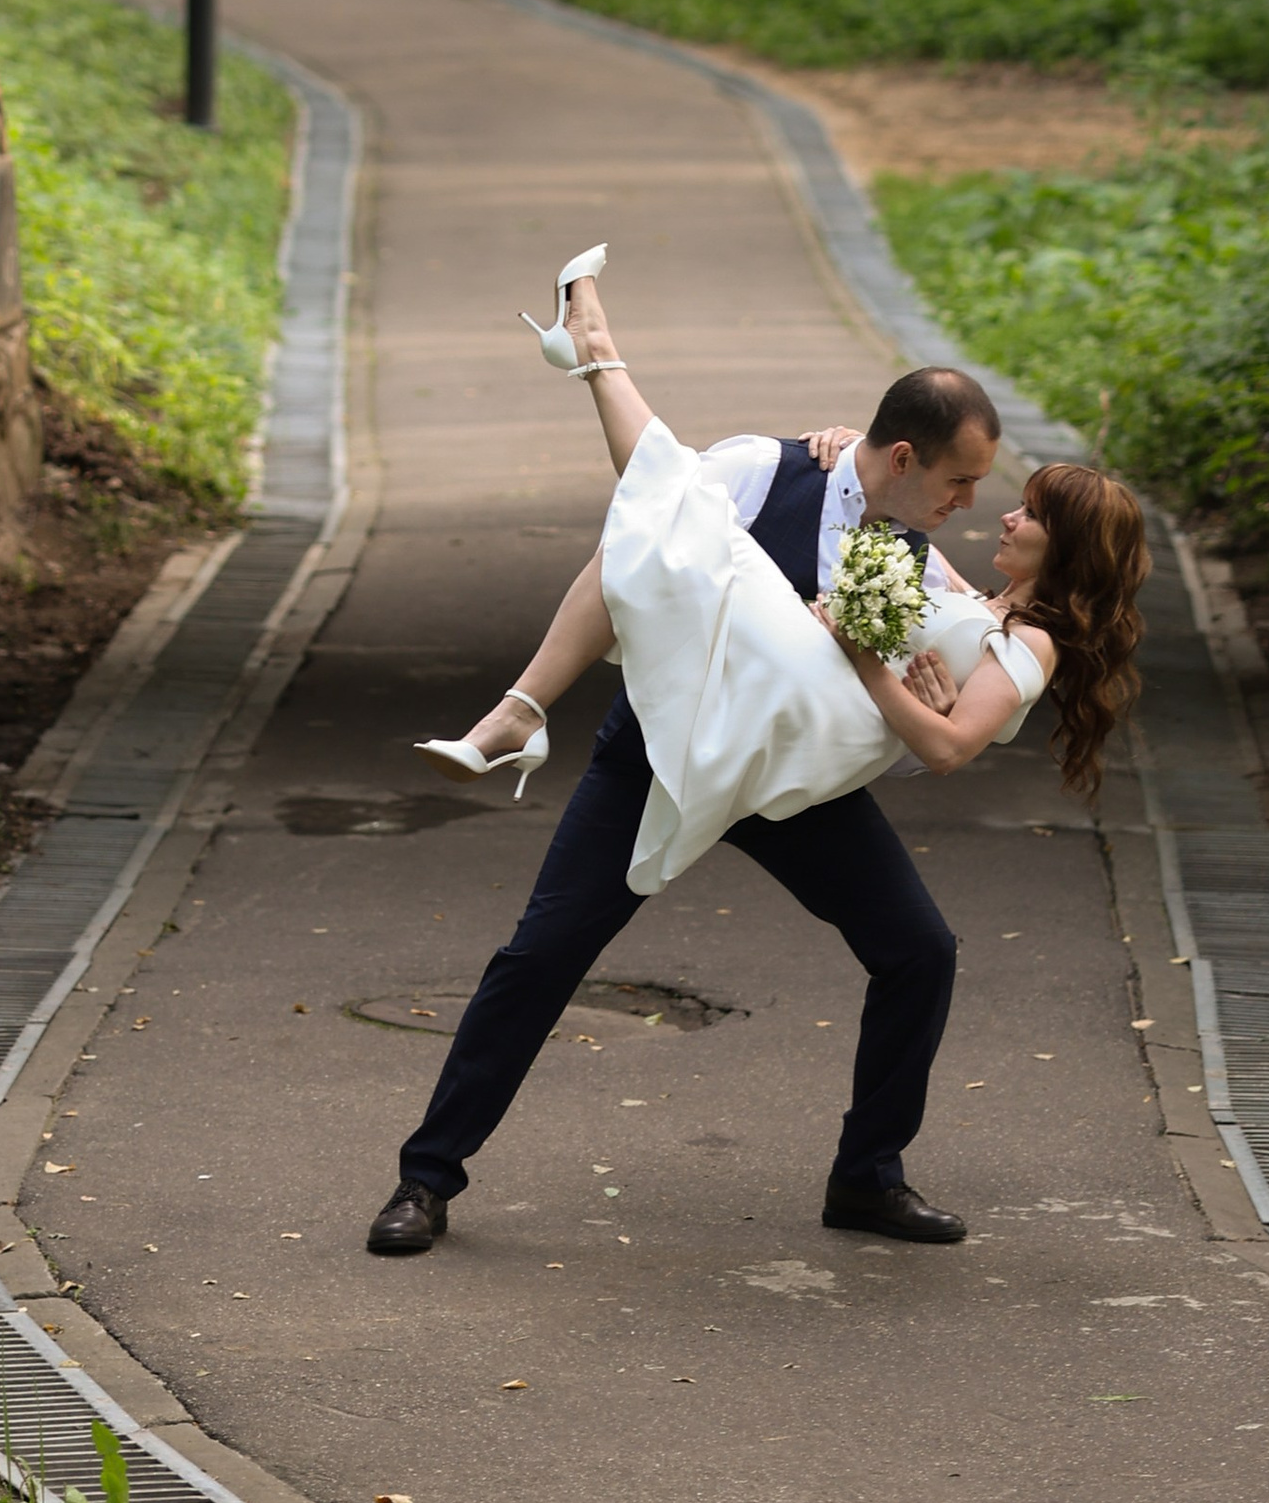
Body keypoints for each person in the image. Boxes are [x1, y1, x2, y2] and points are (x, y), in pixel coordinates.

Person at [364, 255, 1149, 1260]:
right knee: (541, 954)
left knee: (919, 949)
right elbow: (647, 550)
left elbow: (947, 678)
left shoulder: (922, 555)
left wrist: (918, 674)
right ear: (903, 454)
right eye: (959, 479)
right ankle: (424, 1181)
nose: (972, 501)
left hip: (789, 789)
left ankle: (867, 1178)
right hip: (662, 754)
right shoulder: (760, 469)